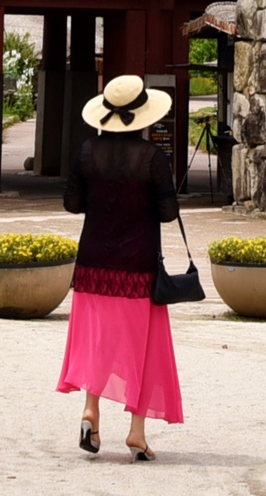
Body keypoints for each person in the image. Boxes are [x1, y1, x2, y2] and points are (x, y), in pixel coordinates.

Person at [59, 72, 187, 461]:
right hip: (138, 264)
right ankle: (136, 432)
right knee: (142, 346)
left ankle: (91, 410)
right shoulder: (152, 158)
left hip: (94, 263)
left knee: (96, 339)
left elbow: (72, 204)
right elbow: (168, 213)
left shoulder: (87, 152)